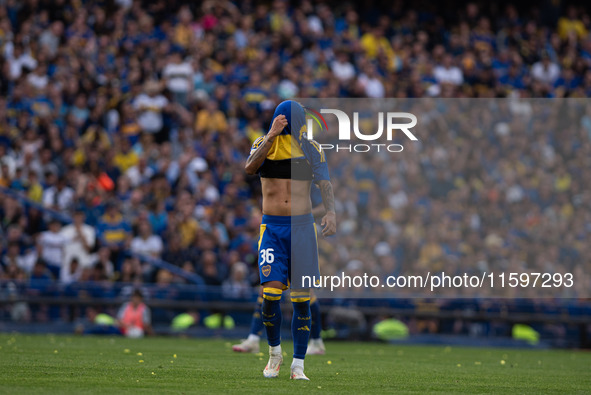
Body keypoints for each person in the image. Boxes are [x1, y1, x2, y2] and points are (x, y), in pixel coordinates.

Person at [244, 100, 336, 380]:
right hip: (272, 229)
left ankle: (298, 365)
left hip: (302, 228)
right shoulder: (264, 143)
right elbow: (250, 168)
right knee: (270, 296)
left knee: (301, 300)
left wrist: (331, 211)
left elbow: (325, 183)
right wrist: (271, 135)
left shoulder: (311, 148)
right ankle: (274, 354)